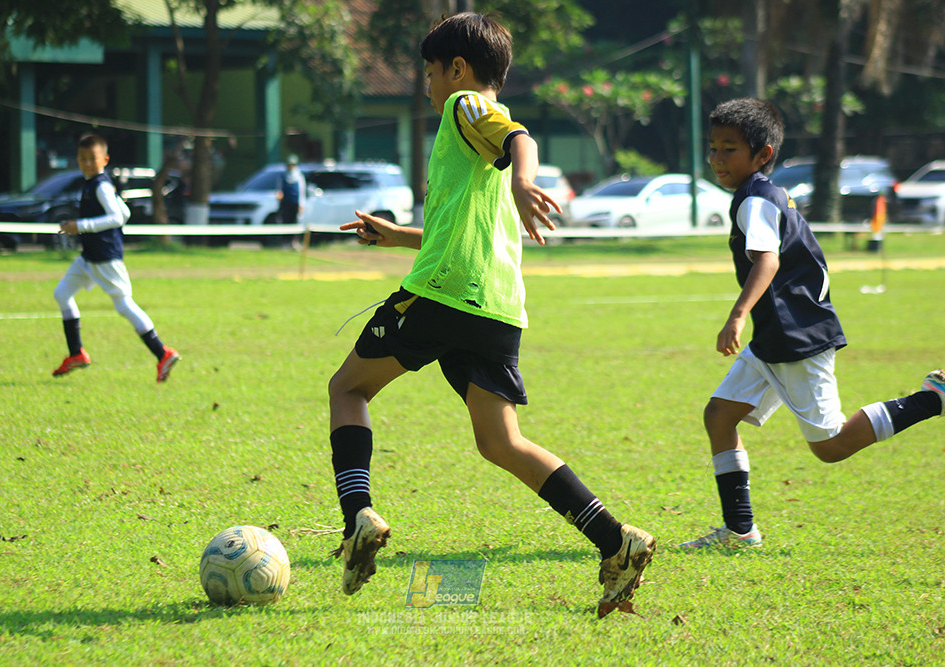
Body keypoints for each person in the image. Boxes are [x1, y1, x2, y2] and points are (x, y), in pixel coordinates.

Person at [327, 13, 655, 618]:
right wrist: (397, 234)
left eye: (431, 72)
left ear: (457, 69)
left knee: (347, 387)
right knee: (501, 441)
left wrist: (526, 180)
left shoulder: (465, 108)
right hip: (497, 306)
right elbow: (460, 229)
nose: (428, 85)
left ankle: (357, 520)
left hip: (445, 294)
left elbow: (520, 136)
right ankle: (617, 539)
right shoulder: (471, 147)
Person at [681, 98, 944, 550]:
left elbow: (767, 261)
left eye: (729, 149)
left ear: (762, 154)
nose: (716, 159)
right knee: (720, 415)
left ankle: (932, 399)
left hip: (793, 337)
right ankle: (740, 531)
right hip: (777, 335)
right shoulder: (765, 193)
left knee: (831, 445)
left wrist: (737, 314)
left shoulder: (755, 202)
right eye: (713, 148)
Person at [52, 133, 180, 383]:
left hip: (105, 258)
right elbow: (125, 211)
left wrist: (81, 225)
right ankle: (76, 353)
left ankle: (162, 352)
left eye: (92, 158)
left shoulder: (100, 185)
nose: (87, 163)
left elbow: (117, 218)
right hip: (89, 257)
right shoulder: (95, 183)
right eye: (82, 158)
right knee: (61, 294)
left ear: (105, 159)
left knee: (124, 305)